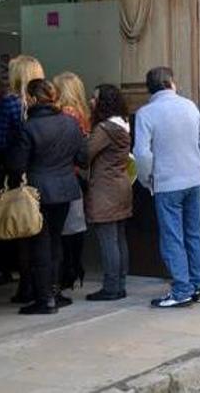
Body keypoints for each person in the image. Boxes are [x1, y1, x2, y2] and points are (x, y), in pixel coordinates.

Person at [134, 67, 200, 308]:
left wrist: (147, 178)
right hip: (192, 179)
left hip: (167, 182)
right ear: (172, 83)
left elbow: (142, 153)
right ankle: (196, 284)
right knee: (193, 234)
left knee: (172, 237)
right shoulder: (189, 106)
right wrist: (198, 164)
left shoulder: (145, 113)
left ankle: (181, 289)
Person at [9, 79, 85, 314]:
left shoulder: (28, 127)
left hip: (38, 191)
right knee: (55, 241)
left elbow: (16, 165)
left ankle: (45, 299)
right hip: (65, 190)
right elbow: (83, 157)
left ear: (32, 99)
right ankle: (54, 291)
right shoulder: (71, 123)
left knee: (40, 244)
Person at [1, 55, 44, 303]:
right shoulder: (49, 101)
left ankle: (26, 284)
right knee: (37, 231)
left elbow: (5, 140)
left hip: (17, 174)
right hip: (42, 173)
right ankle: (39, 284)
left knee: (20, 230)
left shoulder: (11, 103)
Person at [84, 84, 132, 301]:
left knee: (108, 240)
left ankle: (111, 287)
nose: (91, 101)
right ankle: (120, 283)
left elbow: (85, 154)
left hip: (105, 190)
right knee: (119, 238)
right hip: (121, 186)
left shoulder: (104, 129)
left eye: (94, 98)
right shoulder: (123, 124)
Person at [53, 72, 91, 291]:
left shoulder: (66, 115)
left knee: (65, 227)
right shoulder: (84, 114)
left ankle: (69, 269)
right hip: (77, 175)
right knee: (75, 225)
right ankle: (75, 267)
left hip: (67, 173)